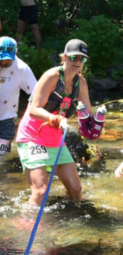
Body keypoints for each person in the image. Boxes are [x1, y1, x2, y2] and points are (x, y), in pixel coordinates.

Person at [15, 39, 94, 206]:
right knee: (41, 192)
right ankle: (24, 225)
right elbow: (34, 110)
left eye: (82, 59)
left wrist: (94, 125)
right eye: (73, 58)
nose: (78, 62)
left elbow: (88, 114)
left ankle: (69, 225)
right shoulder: (52, 76)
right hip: (33, 138)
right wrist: (56, 119)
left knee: (76, 190)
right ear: (64, 57)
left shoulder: (81, 84)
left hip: (55, 141)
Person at [0, 37, 37, 158]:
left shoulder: (22, 69)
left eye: (8, 59)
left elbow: (36, 94)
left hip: (7, 121)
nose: (4, 62)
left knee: (1, 155)